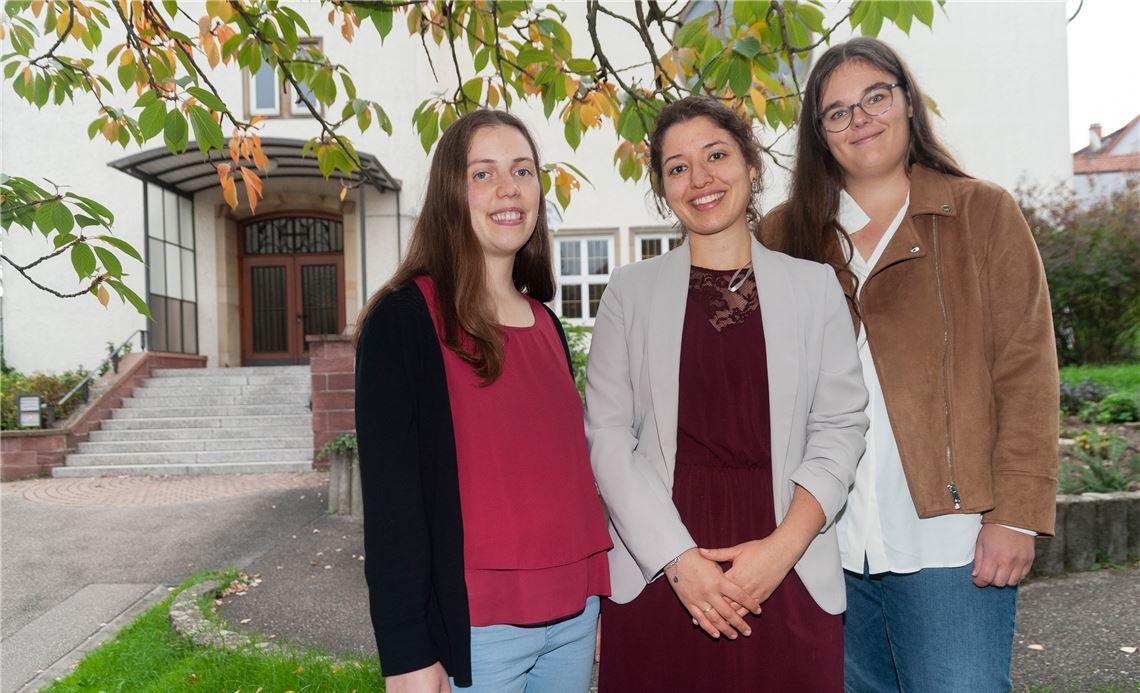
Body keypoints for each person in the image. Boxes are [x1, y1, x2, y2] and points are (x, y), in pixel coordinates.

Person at [762, 37, 1059, 692]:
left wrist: (1015, 513)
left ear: (907, 103)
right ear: (819, 134)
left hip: (950, 543)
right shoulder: (784, 237)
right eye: (836, 111)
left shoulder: (981, 213)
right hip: (824, 545)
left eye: (875, 96)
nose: (860, 117)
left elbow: (1026, 372)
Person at [586, 95, 869, 691]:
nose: (700, 179)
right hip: (661, 560)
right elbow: (608, 438)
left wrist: (778, 552)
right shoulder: (627, 293)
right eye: (678, 167)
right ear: (663, 189)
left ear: (752, 165)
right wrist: (679, 562)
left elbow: (841, 427)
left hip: (786, 559)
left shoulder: (815, 288)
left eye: (716, 155)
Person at [354, 109, 612, 693]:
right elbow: (393, 510)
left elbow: (571, 481)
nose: (507, 189)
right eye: (483, 173)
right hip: (477, 631)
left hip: (574, 618)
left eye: (522, 170)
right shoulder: (404, 321)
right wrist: (406, 656)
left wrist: (598, 595)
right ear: (450, 192)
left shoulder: (545, 321)